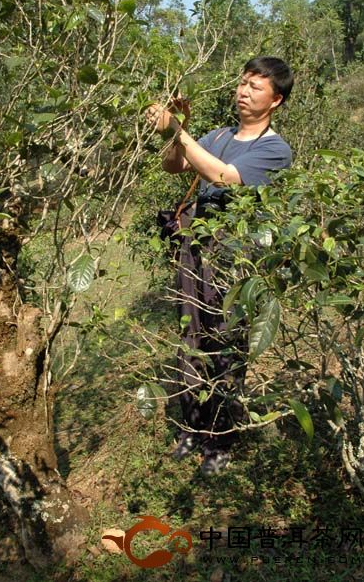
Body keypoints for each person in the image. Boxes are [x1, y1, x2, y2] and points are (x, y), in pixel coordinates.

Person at [146, 56, 294, 475]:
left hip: (234, 252)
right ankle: (192, 429)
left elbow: (224, 177)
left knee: (226, 340)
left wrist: (179, 130)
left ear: (276, 100)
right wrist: (179, 128)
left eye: (256, 87)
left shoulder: (274, 148)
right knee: (190, 333)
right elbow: (173, 165)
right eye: (243, 82)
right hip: (195, 244)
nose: (244, 91)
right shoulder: (218, 134)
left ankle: (222, 439)